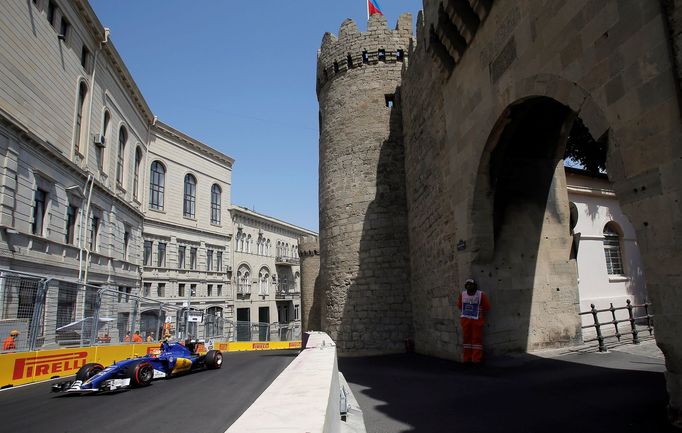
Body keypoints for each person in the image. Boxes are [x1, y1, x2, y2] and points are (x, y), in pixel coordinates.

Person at [456, 278, 491, 364]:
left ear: (475, 286)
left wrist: (480, 312)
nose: (469, 286)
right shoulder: (463, 295)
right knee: (466, 339)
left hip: (477, 321)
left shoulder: (480, 295)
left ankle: (476, 359)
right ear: (465, 286)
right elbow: (459, 305)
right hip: (466, 320)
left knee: (477, 339)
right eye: (467, 284)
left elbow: (487, 306)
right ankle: (466, 359)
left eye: (471, 284)